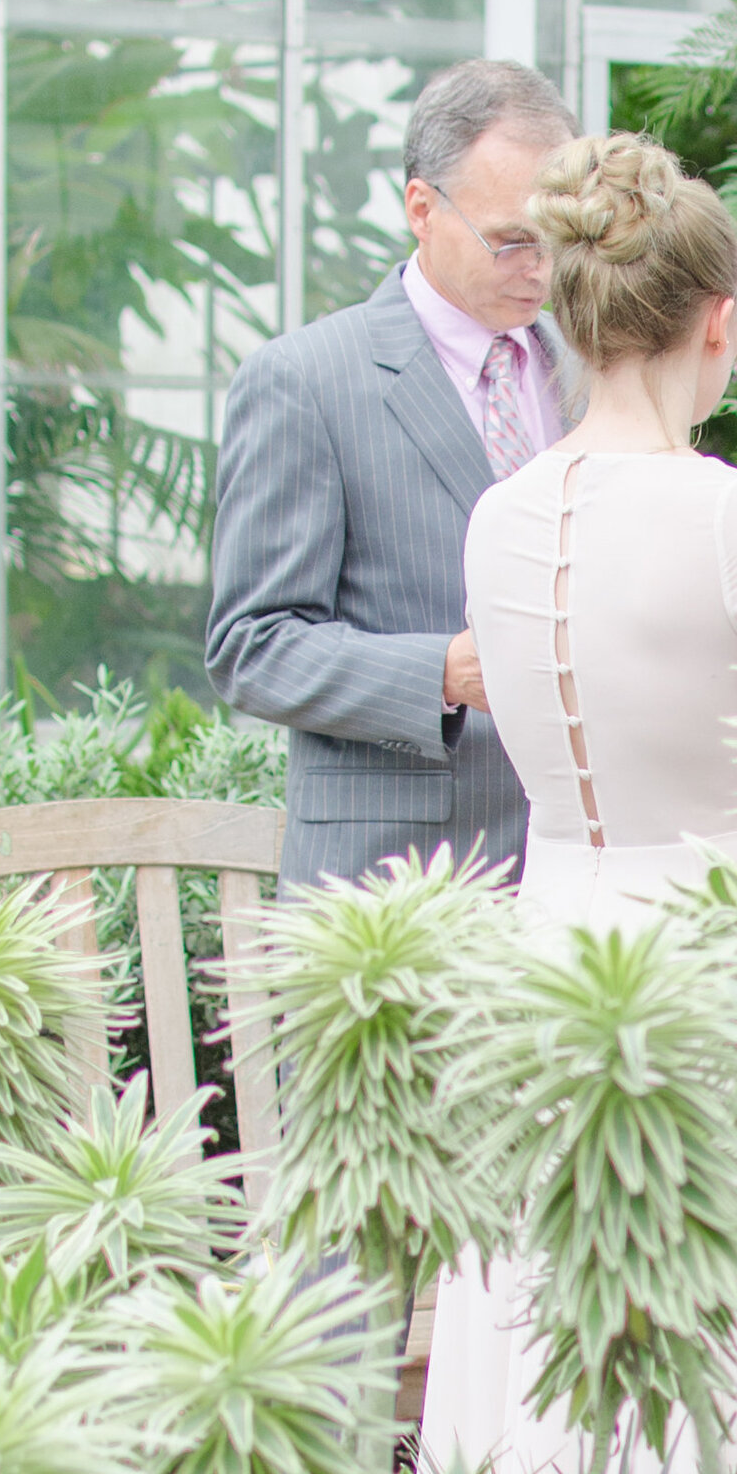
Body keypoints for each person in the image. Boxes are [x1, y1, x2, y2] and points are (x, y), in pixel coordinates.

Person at [419, 132, 737, 1474]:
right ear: (720, 319)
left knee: (544, 1330)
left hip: (548, 970)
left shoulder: (497, 517)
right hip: (723, 977)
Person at [206, 57, 579, 890]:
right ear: (421, 208)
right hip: (387, 890)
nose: (541, 268)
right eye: (511, 239)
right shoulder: (305, 380)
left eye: (560, 238)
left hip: (569, 880)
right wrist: (444, 673)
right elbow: (249, 647)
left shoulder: (590, 372)